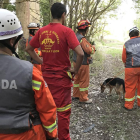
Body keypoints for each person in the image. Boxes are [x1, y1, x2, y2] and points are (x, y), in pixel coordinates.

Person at [26, 2, 84, 140]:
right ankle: (64, 137)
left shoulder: (41, 31)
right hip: (62, 79)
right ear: (63, 15)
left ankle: (46, 136)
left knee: (45, 109)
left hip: (45, 79)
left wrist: (41, 62)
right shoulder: (67, 31)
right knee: (63, 112)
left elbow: (28, 49)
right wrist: (75, 69)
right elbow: (80, 53)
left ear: (52, 14)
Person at [0, 9, 58, 140]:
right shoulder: (29, 72)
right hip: (26, 134)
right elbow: (47, 109)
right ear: (12, 41)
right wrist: (52, 136)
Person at [72, 20, 96, 104]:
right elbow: (89, 50)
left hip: (75, 62)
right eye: (87, 28)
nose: (88, 30)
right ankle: (83, 98)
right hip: (83, 63)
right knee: (84, 81)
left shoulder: (75, 36)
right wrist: (93, 47)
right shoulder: (82, 39)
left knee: (77, 79)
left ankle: (76, 95)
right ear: (85, 29)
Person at [122, 27, 140, 110]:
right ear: (138, 33)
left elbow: (124, 58)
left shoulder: (127, 44)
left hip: (130, 68)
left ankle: (129, 105)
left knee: (130, 86)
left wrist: (126, 64)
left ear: (130, 35)